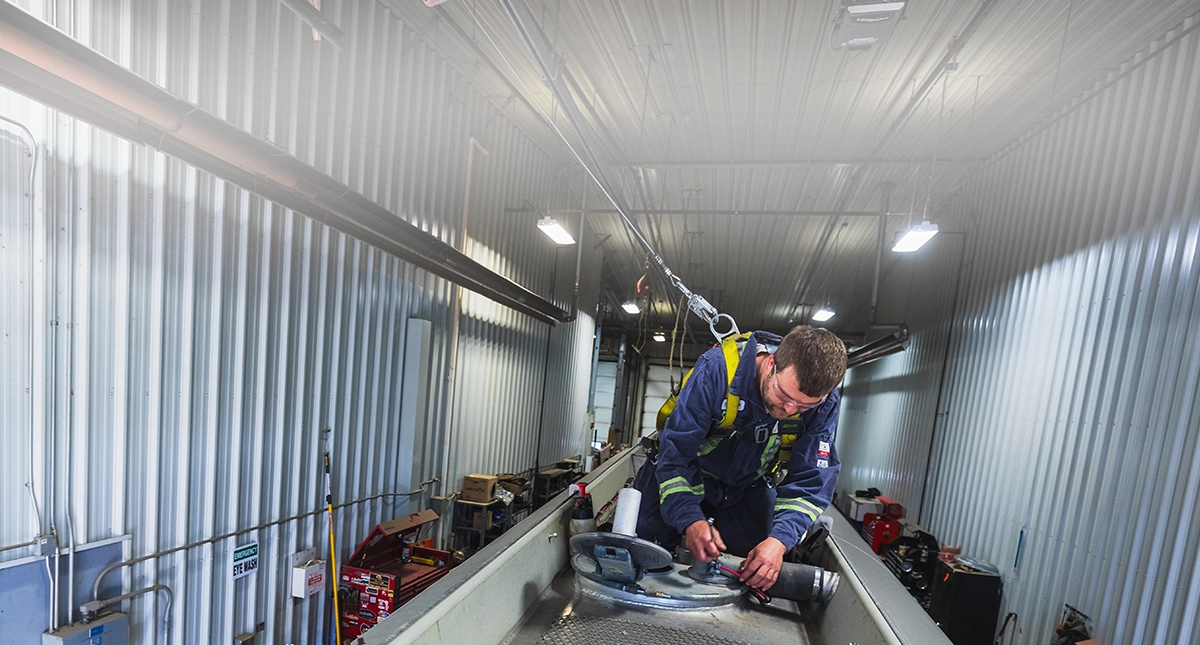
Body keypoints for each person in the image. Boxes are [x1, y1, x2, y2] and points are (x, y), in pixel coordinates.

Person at [633, 325, 846, 592]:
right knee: (645, 552)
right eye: (785, 395)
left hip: (747, 485)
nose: (791, 410)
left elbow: (811, 481)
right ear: (770, 363)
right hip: (685, 472)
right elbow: (676, 455)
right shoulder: (716, 371)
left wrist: (778, 542)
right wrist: (690, 519)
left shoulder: (824, 403)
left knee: (755, 567)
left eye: (805, 405)